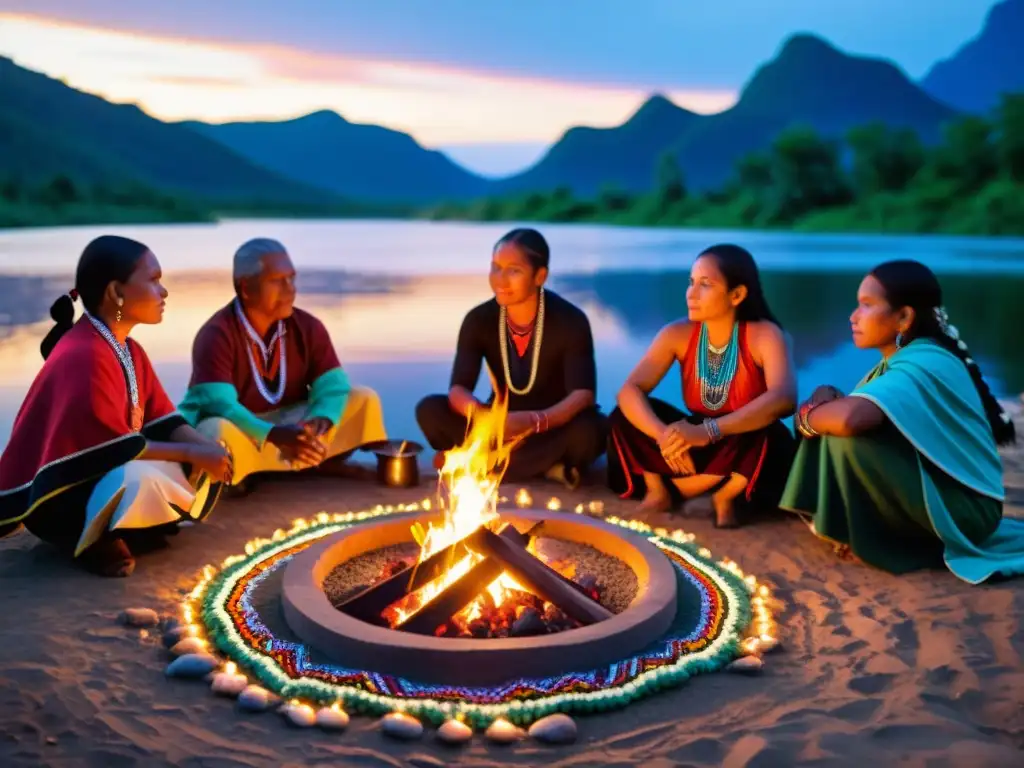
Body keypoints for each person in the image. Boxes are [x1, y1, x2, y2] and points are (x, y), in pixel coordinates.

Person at [0, 236, 232, 577]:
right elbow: (113, 449)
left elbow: (164, 420)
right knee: (140, 476)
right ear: (116, 293)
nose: (164, 292)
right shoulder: (85, 354)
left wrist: (206, 449)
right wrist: (194, 454)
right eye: (153, 281)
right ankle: (91, 538)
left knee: (195, 458)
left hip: (105, 474)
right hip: (61, 497)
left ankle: (128, 525)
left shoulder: (129, 349)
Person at [780, 260, 1024, 583]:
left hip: (970, 510)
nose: (853, 317)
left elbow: (850, 419)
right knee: (835, 430)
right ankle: (865, 532)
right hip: (948, 494)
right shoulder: (899, 362)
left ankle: (887, 544)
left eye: (866, 306)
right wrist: (825, 402)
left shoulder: (926, 360)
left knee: (845, 439)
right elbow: (854, 413)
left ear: (905, 317)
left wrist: (807, 416)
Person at [608, 244, 797, 528]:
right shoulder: (677, 333)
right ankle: (659, 489)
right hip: (691, 443)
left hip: (737, 436)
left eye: (705, 284)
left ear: (737, 295)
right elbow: (629, 389)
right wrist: (664, 437)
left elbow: (783, 399)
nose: (691, 293)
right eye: (691, 282)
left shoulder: (764, 335)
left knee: (768, 433)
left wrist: (708, 432)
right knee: (624, 415)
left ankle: (723, 495)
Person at [177, 238, 386, 490]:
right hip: (242, 427)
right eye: (277, 281)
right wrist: (275, 435)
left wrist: (321, 418)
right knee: (216, 430)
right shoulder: (216, 334)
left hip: (291, 422)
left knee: (363, 399)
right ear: (245, 287)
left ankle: (308, 457)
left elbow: (333, 384)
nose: (290, 289)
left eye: (292, 278)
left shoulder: (307, 326)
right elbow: (221, 405)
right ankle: (246, 471)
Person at [416, 228, 608, 487]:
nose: (500, 280)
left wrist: (536, 422)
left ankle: (482, 463)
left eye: (514, 270)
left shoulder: (571, 320)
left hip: (551, 426)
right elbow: (459, 389)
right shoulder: (478, 319)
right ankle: (547, 468)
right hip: (497, 426)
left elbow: (583, 395)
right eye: (495, 268)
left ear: (540, 276)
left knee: (592, 431)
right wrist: (485, 419)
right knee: (430, 410)